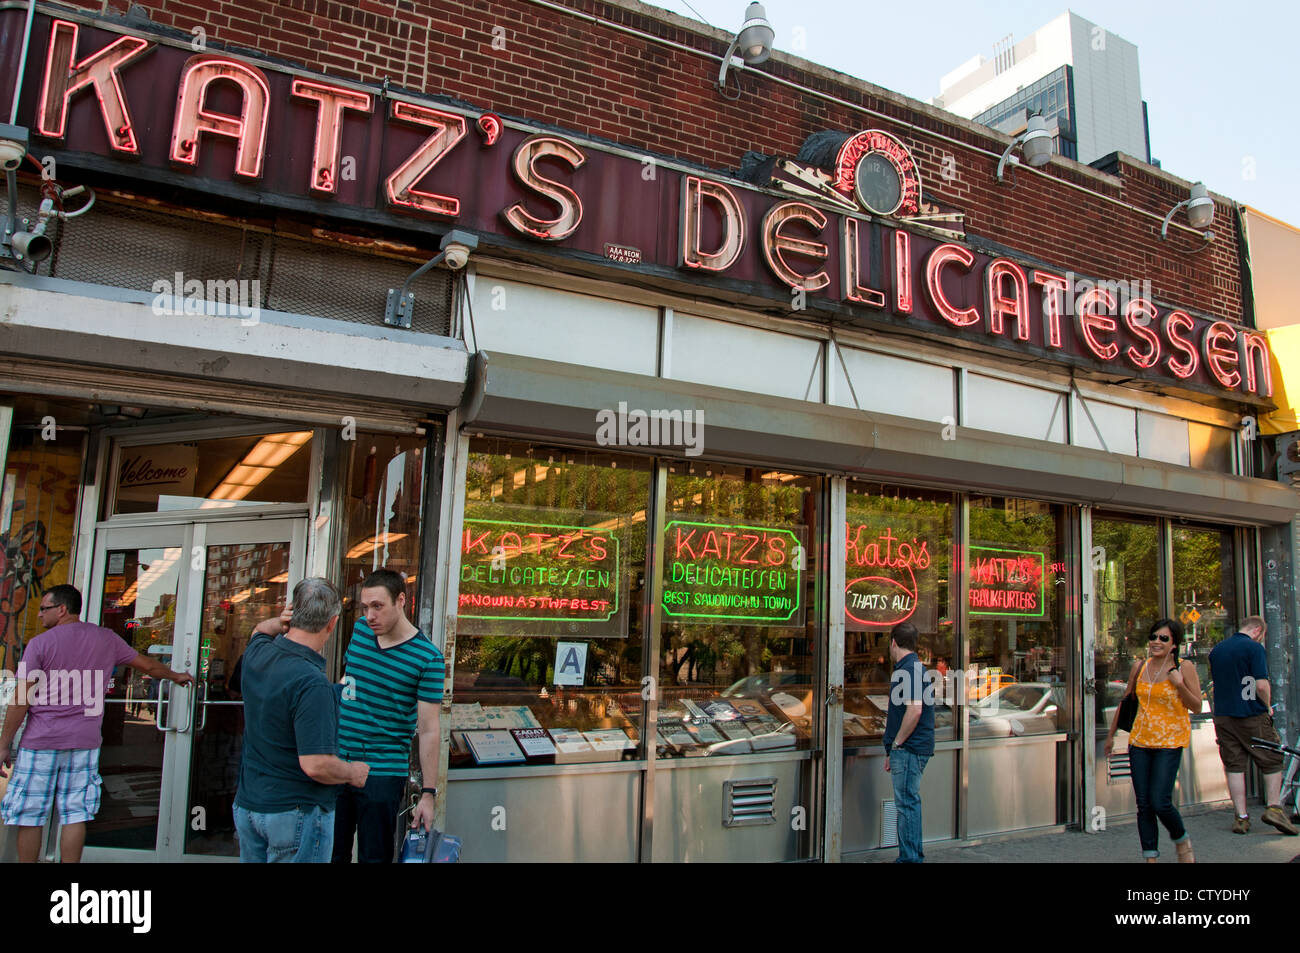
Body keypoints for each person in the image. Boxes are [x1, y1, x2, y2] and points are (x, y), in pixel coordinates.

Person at [0, 583, 194, 863]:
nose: (40, 615)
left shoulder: (40, 644)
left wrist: (4, 743)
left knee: (30, 816)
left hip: (41, 742)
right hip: (84, 742)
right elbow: (148, 666)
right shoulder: (106, 639)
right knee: (75, 815)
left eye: (44, 609)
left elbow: (21, 698)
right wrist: (176, 676)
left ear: (62, 609)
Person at [233, 578, 369, 863]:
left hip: (249, 808)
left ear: (292, 612)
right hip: (295, 812)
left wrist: (280, 621)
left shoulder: (257, 653)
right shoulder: (311, 683)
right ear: (332, 624)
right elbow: (316, 764)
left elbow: (259, 629)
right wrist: (352, 772)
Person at [333, 568, 445, 863]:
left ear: (401, 601)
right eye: (365, 607)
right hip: (338, 763)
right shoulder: (360, 630)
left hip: (382, 772)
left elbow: (430, 730)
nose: (370, 615)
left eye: (378, 606)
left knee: (374, 857)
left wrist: (428, 794)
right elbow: (349, 680)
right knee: (331, 854)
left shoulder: (428, 658)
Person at [1105, 618, 1202, 863]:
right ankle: (1150, 858)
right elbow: (1126, 701)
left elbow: (1197, 707)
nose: (1156, 642)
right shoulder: (1140, 666)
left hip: (1170, 742)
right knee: (1144, 804)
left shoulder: (1183, 667)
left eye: (1163, 638)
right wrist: (1111, 735)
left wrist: (1179, 685)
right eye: (1153, 637)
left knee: (1160, 801)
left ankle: (1181, 840)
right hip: (1140, 741)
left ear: (1174, 644)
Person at [1208, 615, 1298, 836]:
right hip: (1250, 714)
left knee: (1234, 764)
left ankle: (1241, 817)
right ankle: (1274, 808)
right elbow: (1261, 684)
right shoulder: (1253, 648)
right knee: (1272, 758)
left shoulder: (1217, 650)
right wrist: (1267, 706)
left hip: (1223, 716)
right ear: (1258, 630)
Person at [882, 621, 934, 863]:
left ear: (894, 642)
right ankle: (912, 856)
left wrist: (896, 745)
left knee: (906, 806)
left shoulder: (909, 669)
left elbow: (914, 710)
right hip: (909, 749)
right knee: (908, 804)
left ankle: (910, 859)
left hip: (909, 749)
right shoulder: (912, 668)